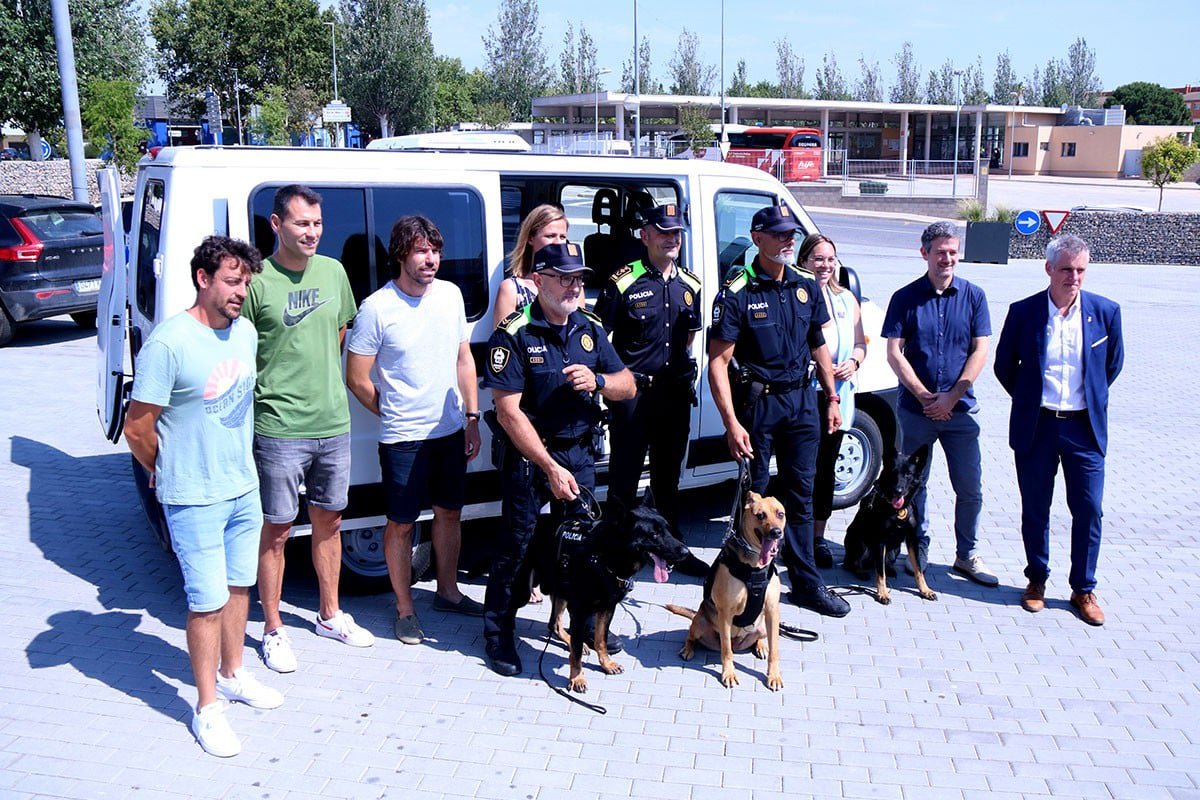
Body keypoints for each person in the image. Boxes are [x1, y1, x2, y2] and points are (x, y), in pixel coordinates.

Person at [124, 236, 282, 758]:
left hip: (242, 487)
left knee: (240, 589)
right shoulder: (170, 343)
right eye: (233, 282)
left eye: (246, 283)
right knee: (205, 602)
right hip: (193, 496)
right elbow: (138, 428)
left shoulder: (245, 333)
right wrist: (165, 469)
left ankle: (234, 674)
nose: (241, 293)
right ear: (202, 278)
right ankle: (206, 708)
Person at [481, 241, 636, 676]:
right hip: (532, 457)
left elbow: (628, 385)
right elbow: (508, 412)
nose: (573, 287)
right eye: (563, 278)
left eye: (578, 279)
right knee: (519, 546)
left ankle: (585, 627)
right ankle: (498, 635)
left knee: (585, 546)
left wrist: (599, 379)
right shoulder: (513, 334)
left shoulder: (589, 326)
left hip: (580, 453)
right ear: (538, 281)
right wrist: (549, 467)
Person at [243, 184, 373, 675]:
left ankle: (329, 614)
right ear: (276, 224)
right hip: (277, 425)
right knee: (276, 529)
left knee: (331, 521)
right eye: (301, 223)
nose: (312, 232)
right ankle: (272, 629)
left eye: (317, 224)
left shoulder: (334, 272)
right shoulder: (258, 281)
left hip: (332, 421)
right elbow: (244, 349)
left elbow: (338, 334)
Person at [346, 215, 484, 645]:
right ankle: (405, 609)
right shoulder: (376, 308)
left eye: (436, 251)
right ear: (401, 254)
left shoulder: (450, 295)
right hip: (403, 437)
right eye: (422, 251)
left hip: (448, 430)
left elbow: (464, 359)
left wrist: (472, 417)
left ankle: (447, 591)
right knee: (402, 524)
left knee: (449, 514)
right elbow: (356, 376)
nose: (432, 260)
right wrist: (388, 410)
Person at [707, 204, 850, 618]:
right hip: (759, 406)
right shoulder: (738, 291)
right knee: (754, 499)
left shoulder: (806, 285)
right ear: (757, 239)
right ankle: (747, 581)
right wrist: (732, 422)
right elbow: (718, 361)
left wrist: (832, 397)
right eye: (779, 234)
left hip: (803, 403)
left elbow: (818, 344)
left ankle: (806, 584)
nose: (789, 240)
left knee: (800, 496)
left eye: (791, 233)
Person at [994, 235, 1123, 626]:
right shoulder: (1024, 312)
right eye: (1067, 269)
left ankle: (1083, 588)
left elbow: (1112, 365)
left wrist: (1090, 400)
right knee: (1036, 508)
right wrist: (1032, 398)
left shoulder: (1105, 312)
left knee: (1089, 510)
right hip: (1038, 427)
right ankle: (1036, 580)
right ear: (1049, 268)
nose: (1074, 277)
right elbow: (1004, 365)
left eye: (1081, 269)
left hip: (1084, 429)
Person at [595, 203, 708, 577]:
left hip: (673, 397)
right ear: (645, 237)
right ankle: (614, 556)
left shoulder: (690, 284)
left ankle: (670, 549)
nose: (672, 239)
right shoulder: (624, 281)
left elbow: (689, 339)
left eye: (677, 233)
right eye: (664, 232)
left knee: (667, 479)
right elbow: (600, 338)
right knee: (624, 479)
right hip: (633, 397)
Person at [882, 221, 997, 586]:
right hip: (917, 412)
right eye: (940, 252)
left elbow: (981, 350)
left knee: (970, 486)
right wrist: (925, 396)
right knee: (912, 486)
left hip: (960, 411)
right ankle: (918, 550)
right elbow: (894, 353)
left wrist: (952, 396)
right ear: (924, 254)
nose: (947, 258)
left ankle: (967, 555)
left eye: (952, 252)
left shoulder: (974, 296)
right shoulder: (904, 297)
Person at [801, 234, 867, 569]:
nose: (825, 265)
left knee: (826, 470)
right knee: (802, 470)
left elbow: (860, 343)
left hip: (841, 396)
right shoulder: (798, 294)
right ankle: (795, 538)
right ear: (804, 261)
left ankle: (817, 537)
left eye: (830, 259)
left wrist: (854, 362)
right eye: (817, 259)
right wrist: (820, 367)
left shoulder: (846, 300)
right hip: (807, 394)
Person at [492, 204, 568, 327]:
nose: (558, 243)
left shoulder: (573, 285)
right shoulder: (512, 289)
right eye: (550, 236)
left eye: (563, 237)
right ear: (530, 238)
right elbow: (502, 341)